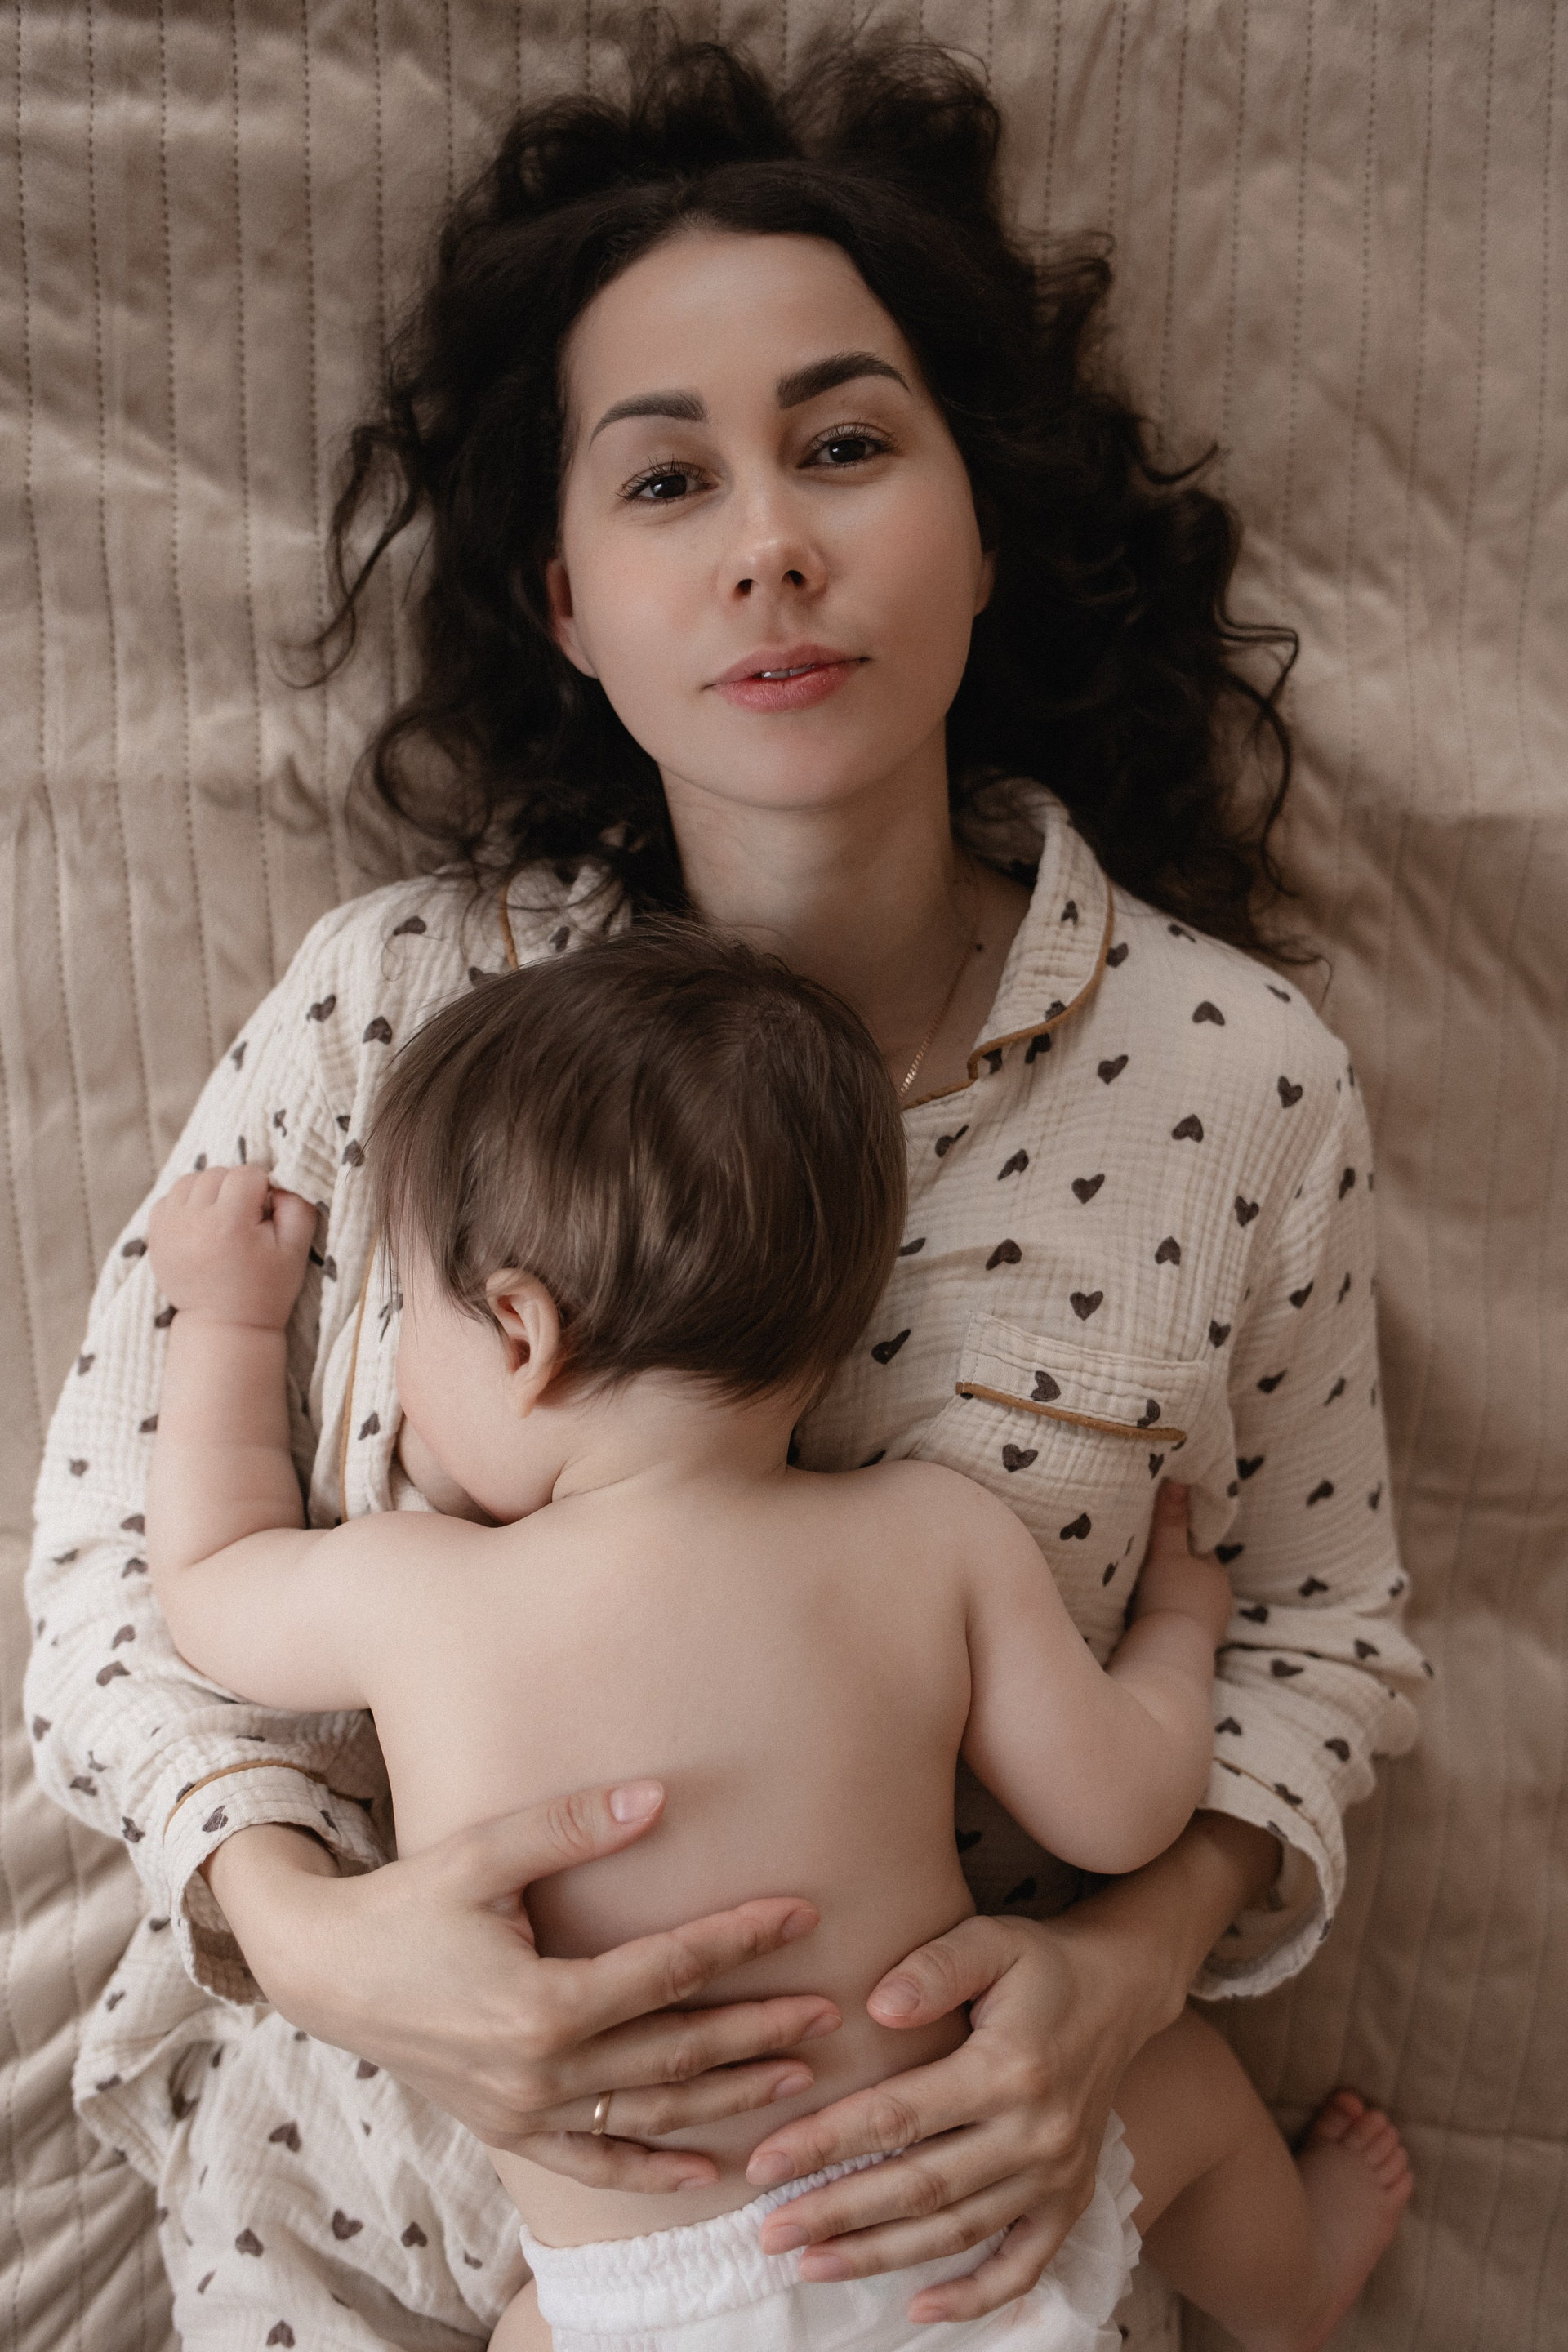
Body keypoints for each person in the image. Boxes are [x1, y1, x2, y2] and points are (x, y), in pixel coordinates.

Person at [26, 28, 1428, 2349]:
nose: (771, 541)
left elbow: (1320, 1630)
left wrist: (1124, 1971)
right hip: (367, 2215)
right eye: (667, 480)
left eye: (847, 445)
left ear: (986, 524)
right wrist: (308, 1930)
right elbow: (111, 1580)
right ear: (570, 600)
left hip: (942, 2221)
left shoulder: (1231, 1077)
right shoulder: (396, 1010)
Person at [141, 928, 1411, 2352]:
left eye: (404, 1314)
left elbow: (203, 1576)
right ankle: (1299, 2288)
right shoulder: (930, 1538)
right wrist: (1179, 1630)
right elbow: (1124, 1811)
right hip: (948, 2226)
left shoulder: (416, 1593)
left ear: (520, 1333)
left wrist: (225, 1319)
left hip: (644, 2302)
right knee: (1178, 2079)